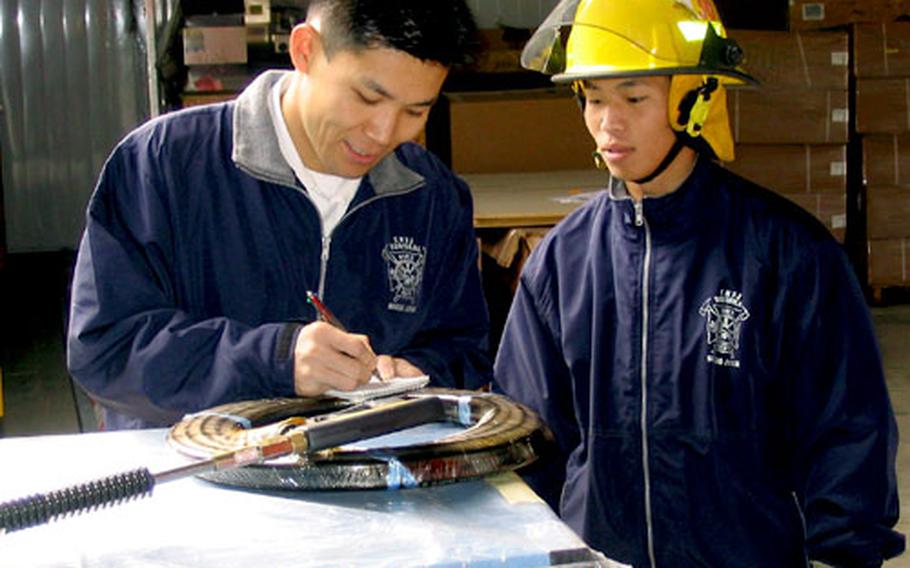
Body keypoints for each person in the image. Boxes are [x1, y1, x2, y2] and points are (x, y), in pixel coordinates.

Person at [493, 0, 905, 566]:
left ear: (694, 97)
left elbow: (845, 430)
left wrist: (847, 554)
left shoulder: (787, 255)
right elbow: (528, 442)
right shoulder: (561, 264)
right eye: (593, 99)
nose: (608, 123)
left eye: (634, 98)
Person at [67, 0, 492, 430]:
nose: (384, 133)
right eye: (367, 97)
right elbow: (105, 350)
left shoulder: (434, 198)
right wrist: (275, 360)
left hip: (373, 478)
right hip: (192, 475)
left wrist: (413, 373)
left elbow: (461, 349)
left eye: (415, 111)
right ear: (305, 50)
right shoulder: (162, 165)